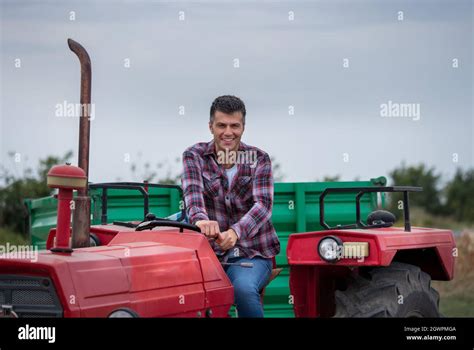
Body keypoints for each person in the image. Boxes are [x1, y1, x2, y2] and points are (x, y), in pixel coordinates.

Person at [181, 95, 280, 317]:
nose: (228, 132)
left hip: (251, 251)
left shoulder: (259, 159)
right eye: (221, 125)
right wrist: (201, 220)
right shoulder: (194, 156)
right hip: (206, 253)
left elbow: (263, 206)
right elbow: (192, 194)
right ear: (210, 126)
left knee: (243, 290)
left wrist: (235, 232)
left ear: (243, 127)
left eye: (234, 125)